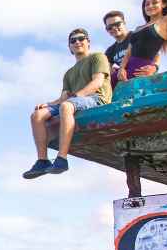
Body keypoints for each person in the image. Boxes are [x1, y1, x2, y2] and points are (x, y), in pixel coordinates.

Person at [22, 29, 112, 179]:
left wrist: (76, 96)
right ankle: (42, 161)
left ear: (88, 42)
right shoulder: (69, 73)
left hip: (97, 98)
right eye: (73, 40)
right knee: (37, 115)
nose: (77, 42)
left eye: (81, 38)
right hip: (75, 101)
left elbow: (97, 82)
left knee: (67, 106)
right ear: (69, 47)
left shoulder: (98, 57)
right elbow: (63, 97)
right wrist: (48, 104)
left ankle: (62, 159)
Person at [103, 10, 158, 88]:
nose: (114, 28)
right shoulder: (110, 51)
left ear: (124, 23)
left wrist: (154, 68)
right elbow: (107, 72)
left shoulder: (138, 35)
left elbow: (156, 54)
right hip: (127, 84)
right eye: (109, 27)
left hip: (145, 79)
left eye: (117, 24)